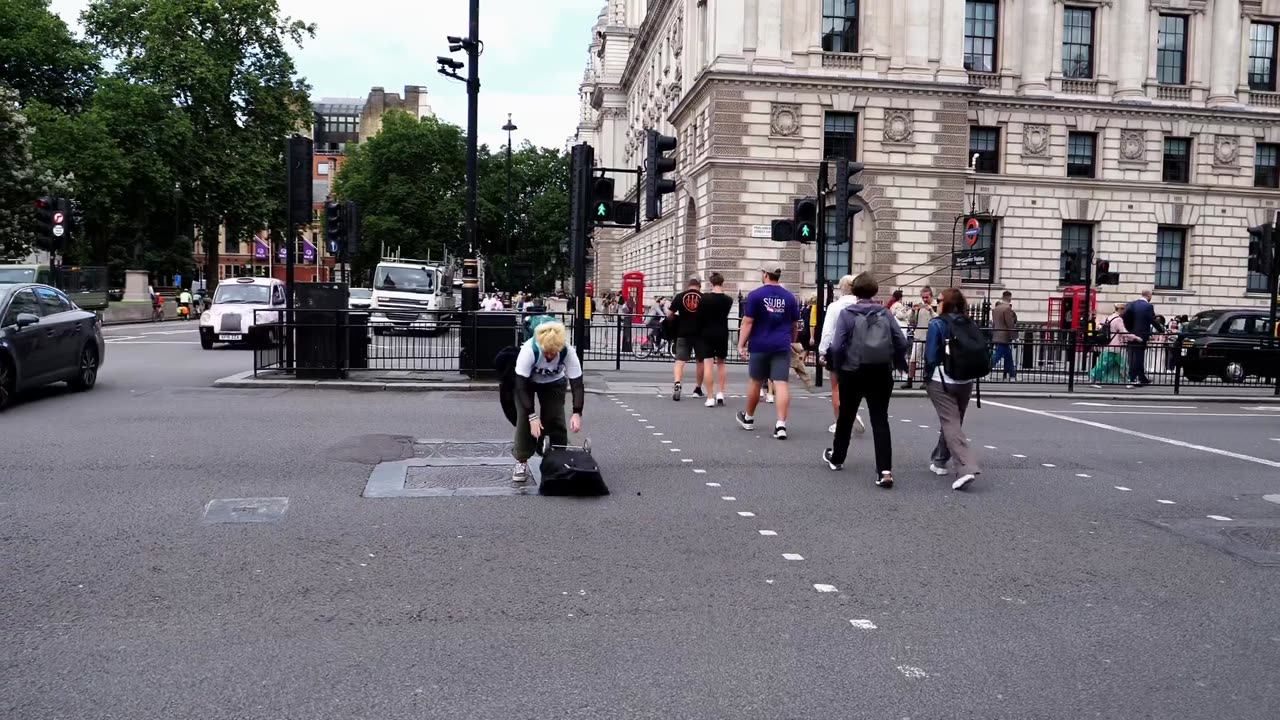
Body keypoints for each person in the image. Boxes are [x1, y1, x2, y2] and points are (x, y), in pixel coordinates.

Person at [822, 273, 908, 488]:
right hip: (881, 371)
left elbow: (836, 344)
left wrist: (838, 366)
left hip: (853, 371)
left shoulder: (847, 313)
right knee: (880, 419)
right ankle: (885, 470)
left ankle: (837, 457)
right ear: (875, 291)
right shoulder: (885, 313)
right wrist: (896, 361)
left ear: (854, 291)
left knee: (846, 416)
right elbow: (900, 340)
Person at [510, 320, 585, 486]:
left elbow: (577, 384)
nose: (550, 356)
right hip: (527, 383)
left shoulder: (568, 352)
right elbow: (521, 386)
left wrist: (577, 412)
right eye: (547, 353)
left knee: (554, 418)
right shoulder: (529, 350)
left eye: (554, 353)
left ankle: (558, 459)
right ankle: (521, 461)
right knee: (524, 420)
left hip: (554, 382)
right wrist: (531, 416)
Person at [924, 288, 982, 491]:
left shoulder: (937, 323)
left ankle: (966, 469)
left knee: (950, 423)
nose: (936, 303)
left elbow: (931, 356)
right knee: (953, 421)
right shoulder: (969, 323)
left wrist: (926, 378)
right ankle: (939, 460)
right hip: (966, 379)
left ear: (946, 303)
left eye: (938, 300)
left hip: (942, 378)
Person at [736, 266, 801, 439]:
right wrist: (792, 341)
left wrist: (741, 344)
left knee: (756, 382)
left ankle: (748, 418)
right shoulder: (789, 297)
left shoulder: (755, 295)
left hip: (759, 344)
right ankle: (781, 425)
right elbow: (795, 324)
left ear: (765, 274)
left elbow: (748, 322)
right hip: (781, 344)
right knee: (781, 384)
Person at [817, 274, 866, 437]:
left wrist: (822, 352)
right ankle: (853, 413)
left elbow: (828, 332)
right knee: (853, 388)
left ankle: (841, 422)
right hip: (860, 351)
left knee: (836, 388)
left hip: (838, 350)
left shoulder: (835, 307)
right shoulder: (864, 306)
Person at [697, 273, 733, 407]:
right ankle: (721, 393)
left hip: (707, 332)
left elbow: (700, 316)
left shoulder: (704, 298)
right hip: (722, 332)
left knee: (708, 364)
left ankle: (710, 396)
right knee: (721, 363)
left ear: (711, 283)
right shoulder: (728, 300)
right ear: (722, 283)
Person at [668, 276, 706, 401]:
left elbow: (670, 314)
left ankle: (677, 383)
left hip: (683, 333)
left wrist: (674, 320)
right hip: (700, 334)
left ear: (687, 285)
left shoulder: (680, 296)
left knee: (680, 361)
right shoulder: (704, 298)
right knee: (700, 361)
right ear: (699, 286)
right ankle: (697, 389)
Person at [1090, 303, 1133, 387]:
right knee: (1104, 364)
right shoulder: (1118, 319)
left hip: (1109, 344)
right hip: (1114, 345)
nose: (1125, 311)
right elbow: (1123, 332)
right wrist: (1134, 337)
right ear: (1121, 309)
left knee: (1120, 364)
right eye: (1124, 309)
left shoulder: (1110, 317)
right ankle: (1093, 379)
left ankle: (1127, 381)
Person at [903, 286, 937, 389]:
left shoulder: (936, 306)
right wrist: (913, 311)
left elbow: (939, 319)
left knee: (928, 360)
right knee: (913, 359)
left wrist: (931, 311)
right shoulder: (920, 306)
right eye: (923, 297)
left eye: (927, 297)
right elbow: (912, 321)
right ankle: (909, 380)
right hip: (919, 336)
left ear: (931, 296)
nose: (925, 300)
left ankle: (926, 381)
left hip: (931, 337)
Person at [1121, 289, 1156, 387]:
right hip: (1142, 335)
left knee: (1133, 356)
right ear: (1149, 295)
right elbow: (1151, 320)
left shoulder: (1130, 304)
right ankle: (1132, 379)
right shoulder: (1148, 306)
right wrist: (1161, 330)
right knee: (1138, 358)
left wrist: (1129, 330)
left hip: (1131, 334)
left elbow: (1125, 318)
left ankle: (1142, 378)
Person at [990, 290, 1018, 379]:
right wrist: (1015, 337)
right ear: (1009, 298)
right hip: (1004, 336)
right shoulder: (1007, 309)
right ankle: (984, 371)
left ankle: (1012, 375)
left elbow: (994, 323)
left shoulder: (996, 308)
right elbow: (1010, 324)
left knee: (1008, 356)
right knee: (997, 356)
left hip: (997, 334)